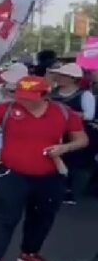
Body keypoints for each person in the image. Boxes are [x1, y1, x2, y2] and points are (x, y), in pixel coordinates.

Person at [0, 76, 88, 261]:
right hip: (12, 173)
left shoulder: (63, 112)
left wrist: (64, 147)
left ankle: (30, 253)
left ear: (44, 95)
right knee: (6, 216)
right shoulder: (7, 109)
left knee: (43, 216)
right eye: (21, 96)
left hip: (49, 175)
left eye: (29, 97)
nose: (23, 100)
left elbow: (82, 139)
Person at [46, 62, 96, 205]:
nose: (60, 78)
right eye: (59, 75)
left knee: (71, 162)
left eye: (64, 76)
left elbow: (89, 115)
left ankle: (68, 190)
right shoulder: (52, 92)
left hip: (74, 132)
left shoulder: (84, 95)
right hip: (53, 130)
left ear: (73, 78)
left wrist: (66, 113)